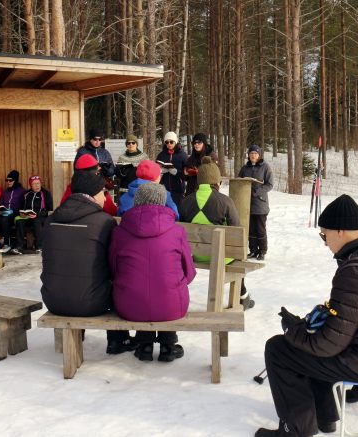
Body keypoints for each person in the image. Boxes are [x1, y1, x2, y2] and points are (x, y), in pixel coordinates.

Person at [256, 194, 358, 437]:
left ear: (341, 231)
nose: (324, 241)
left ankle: (295, 430)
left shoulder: (356, 270)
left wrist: (293, 329)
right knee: (311, 338)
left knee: (279, 349)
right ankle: (325, 416)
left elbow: (326, 346)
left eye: (325, 234)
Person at [40, 164, 135, 354]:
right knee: (115, 282)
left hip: (52, 298)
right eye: (103, 192)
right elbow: (114, 264)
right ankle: (118, 340)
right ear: (92, 194)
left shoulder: (51, 220)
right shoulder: (103, 222)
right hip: (91, 302)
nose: (106, 197)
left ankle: (78, 334)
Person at [110, 183, 196, 362]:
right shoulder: (177, 231)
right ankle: (168, 344)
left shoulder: (120, 231)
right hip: (172, 306)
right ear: (163, 202)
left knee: (139, 288)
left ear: (137, 201)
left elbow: (113, 269)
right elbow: (189, 272)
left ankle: (144, 344)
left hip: (129, 306)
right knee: (166, 291)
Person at [179, 156, 255, 310]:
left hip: (195, 254)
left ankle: (244, 295)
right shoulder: (225, 201)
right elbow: (237, 230)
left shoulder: (186, 201)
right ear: (216, 182)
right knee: (237, 253)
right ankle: (242, 296)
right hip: (221, 256)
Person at [238, 144, 274, 260]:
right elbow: (239, 182)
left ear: (259, 155)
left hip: (260, 203)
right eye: (251, 153)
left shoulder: (265, 167)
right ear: (248, 155)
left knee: (260, 228)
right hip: (246, 203)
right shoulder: (244, 168)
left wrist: (257, 191)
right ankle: (253, 250)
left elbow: (269, 184)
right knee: (251, 228)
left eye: (255, 153)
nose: (253, 155)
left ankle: (262, 251)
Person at [11, 175, 52, 255]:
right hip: (28, 217)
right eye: (34, 184)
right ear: (30, 185)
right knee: (19, 221)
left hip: (41, 217)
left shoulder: (45, 194)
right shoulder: (27, 194)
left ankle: (39, 246)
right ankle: (19, 247)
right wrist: (22, 213)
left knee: (36, 221)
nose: (37, 185)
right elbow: (22, 207)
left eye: (38, 183)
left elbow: (49, 210)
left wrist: (37, 214)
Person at [0, 170, 27, 253]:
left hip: (14, 213)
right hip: (5, 212)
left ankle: (7, 243)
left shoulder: (22, 191)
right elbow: (1, 203)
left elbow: (23, 205)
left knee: (4, 220)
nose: (8, 182)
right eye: (7, 180)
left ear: (15, 181)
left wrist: (13, 211)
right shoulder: (6, 192)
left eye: (10, 180)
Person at [156, 131, 188, 206]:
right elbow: (155, 171)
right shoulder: (161, 155)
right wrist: (161, 171)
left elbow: (187, 175)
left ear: (175, 142)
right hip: (164, 189)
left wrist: (177, 172)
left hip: (178, 190)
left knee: (177, 212)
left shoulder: (183, 155)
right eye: (167, 142)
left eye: (171, 142)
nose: (169, 144)